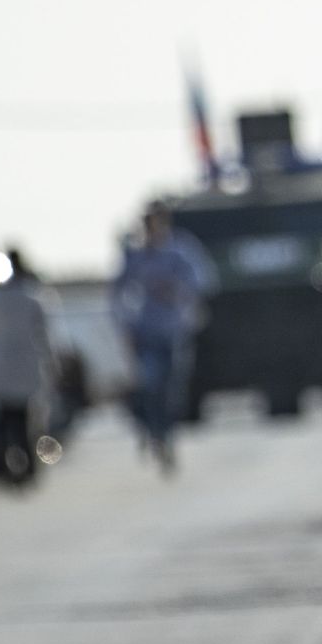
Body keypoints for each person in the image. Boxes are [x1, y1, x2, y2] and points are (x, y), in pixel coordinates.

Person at [110, 202, 213, 474]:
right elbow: (118, 292)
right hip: (146, 331)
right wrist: (125, 324)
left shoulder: (180, 251)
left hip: (175, 329)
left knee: (172, 389)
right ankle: (153, 433)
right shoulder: (137, 256)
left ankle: (167, 437)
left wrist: (179, 293)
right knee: (149, 386)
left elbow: (203, 281)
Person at [0, 246, 54, 488]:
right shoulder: (32, 298)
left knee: (5, 423)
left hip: (1, 369)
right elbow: (45, 337)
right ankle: (27, 470)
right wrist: (52, 365)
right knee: (23, 422)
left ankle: (9, 469)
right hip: (23, 368)